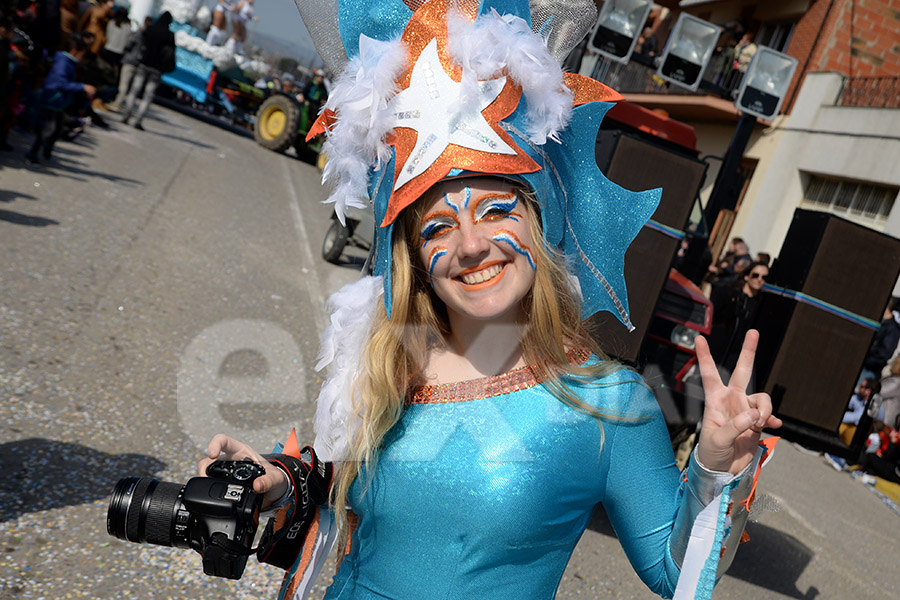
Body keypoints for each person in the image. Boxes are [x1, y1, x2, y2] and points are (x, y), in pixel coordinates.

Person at [194, 3, 781, 599]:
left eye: (497, 210)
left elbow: (675, 572)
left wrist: (714, 469)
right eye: (437, 228)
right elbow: (344, 495)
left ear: (540, 221)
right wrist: (277, 480)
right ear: (416, 259)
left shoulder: (609, 405)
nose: (471, 245)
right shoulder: (387, 359)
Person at [26, 33, 96, 163]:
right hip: (53, 99)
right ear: (75, 51)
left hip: (59, 101)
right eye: (82, 54)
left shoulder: (69, 63)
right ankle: (33, 153)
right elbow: (61, 83)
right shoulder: (63, 64)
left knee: (57, 128)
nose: (83, 58)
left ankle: (47, 150)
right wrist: (82, 87)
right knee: (48, 128)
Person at [708, 261, 769, 370]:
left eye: (764, 277)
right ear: (747, 276)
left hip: (735, 356)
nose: (759, 279)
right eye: (755, 275)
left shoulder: (760, 305)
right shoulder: (729, 294)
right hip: (716, 346)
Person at [122, 11, 176, 130]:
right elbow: (171, 53)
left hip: (143, 64)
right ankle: (138, 120)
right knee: (148, 96)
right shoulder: (169, 35)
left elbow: (140, 43)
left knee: (134, 90)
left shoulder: (150, 29)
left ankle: (126, 114)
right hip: (157, 69)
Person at [859, 298, 900, 385]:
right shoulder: (877, 322)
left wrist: (865, 359)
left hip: (868, 370)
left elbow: (883, 354)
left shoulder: (892, 330)